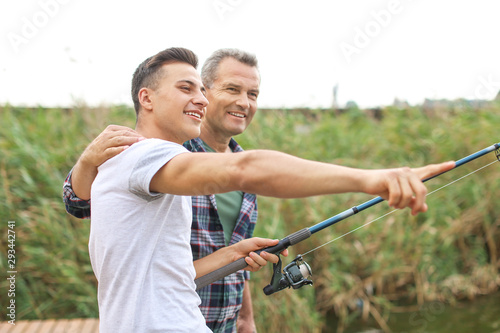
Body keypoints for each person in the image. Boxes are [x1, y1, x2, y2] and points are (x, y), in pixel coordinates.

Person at [65, 47, 454, 333]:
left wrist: (233, 262)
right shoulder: (144, 155)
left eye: (200, 89)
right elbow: (246, 170)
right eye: (189, 88)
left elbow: (162, 270)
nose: (199, 99)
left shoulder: (149, 158)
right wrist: (373, 179)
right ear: (146, 98)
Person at [64, 48, 267, 333]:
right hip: (171, 319)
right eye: (232, 89)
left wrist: (246, 318)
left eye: (253, 94)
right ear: (205, 93)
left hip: (222, 323)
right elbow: (79, 205)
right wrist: (87, 161)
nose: (243, 102)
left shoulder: (244, 173)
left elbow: (235, 254)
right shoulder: (164, 151)